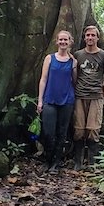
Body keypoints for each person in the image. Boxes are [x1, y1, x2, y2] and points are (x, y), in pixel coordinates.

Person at [37, 30, 77, 173]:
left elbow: (74, 81)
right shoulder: (49, 58)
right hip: (50, 99)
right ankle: (48, 160)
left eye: (65, 40)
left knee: (62, 133)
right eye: (60, 40)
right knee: (48, 132)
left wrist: (74, 67)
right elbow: (43, 79)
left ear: (70, 42)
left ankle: (56, 163)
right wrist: (40, 100)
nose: (63, 42)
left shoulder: (73, 61)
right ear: (57, 41)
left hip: (67, 101)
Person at [73, 25, 104, 170]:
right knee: (78, 129)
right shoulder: (78, 55)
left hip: (96, 96)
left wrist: (102, 95)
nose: (90, 38)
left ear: (97, 38)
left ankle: (91, 162)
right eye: (87, 35)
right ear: (84, 38)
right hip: (79, 96)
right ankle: (78, 161)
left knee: (93, 129)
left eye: (93, 35)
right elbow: (74, 75)